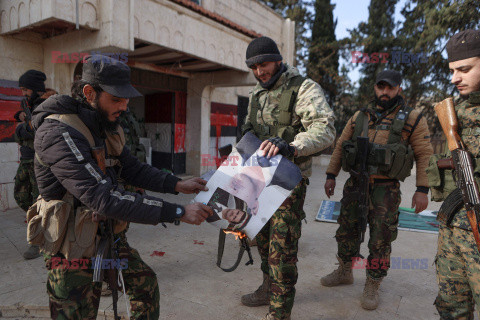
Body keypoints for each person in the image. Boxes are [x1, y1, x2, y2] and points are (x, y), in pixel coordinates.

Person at [29, 55, 213, 319]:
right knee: (79, 313)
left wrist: (177, 183)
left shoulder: (104, 126)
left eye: (126, 99)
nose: (125, 106)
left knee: (145, 287)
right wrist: (178, 213)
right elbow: (103, 197)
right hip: (72, 251)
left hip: (107, 237)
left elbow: (131, 168)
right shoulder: (58, 133)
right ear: (89, 92)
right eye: (116, 99)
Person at [320, 69, 433, 310]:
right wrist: (331, 175)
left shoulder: (412, 117)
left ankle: (373, 282)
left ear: (399, 89)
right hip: (355, 184)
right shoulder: (361, 115)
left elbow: (424, 154)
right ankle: (344, 270)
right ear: (375, 88)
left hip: (386, 189)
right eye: (381, 87)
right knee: (346, 230)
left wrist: (422, 189)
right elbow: (340, 146)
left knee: (381, 239)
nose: (385, 92)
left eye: (390, 87)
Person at [240, 36, 336, 320]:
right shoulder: (257, 93)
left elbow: (325, 128)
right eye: (254, 67)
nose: (259, 72)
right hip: (259, 180)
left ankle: (280, 312)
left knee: (281, 250)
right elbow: (249, 129)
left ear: (278, 60)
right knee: (262, 240)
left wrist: (292, 146)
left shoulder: (303, 88)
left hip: (288, 182)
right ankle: (268, 288)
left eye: (264, 64)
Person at [433, 29, 480, 319]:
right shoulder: (457, 111)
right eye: (452, 71)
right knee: (451, 305)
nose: (454, 79)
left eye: (464, 69)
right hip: (454, 226)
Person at [13, 70, 56, 260]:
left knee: (38, 202)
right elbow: (28, 126)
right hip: (26, 157)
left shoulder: (46, 104)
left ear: (36, 88)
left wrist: (21, 128)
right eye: (22, 89)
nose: (23, 93)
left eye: (26, 89)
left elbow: (37, 130)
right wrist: (21, 117)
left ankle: (37, 242)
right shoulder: (29, 103)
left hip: (40, 160)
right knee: (21, 196)